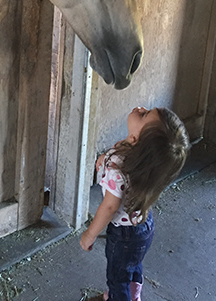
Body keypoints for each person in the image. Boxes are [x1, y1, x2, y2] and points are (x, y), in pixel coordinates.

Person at [80, 106, 190, 301]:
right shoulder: (142, 160)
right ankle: (134, 295)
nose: (140, 109)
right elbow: (122, 148)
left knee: (117, 277)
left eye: (144, 115)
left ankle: (117, 297)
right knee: (133, 265)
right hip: (143, 227)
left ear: (136, 139)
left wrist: (90, 234)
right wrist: (105, 158)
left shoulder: (118, 171)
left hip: (123, 234)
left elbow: (109, 207)